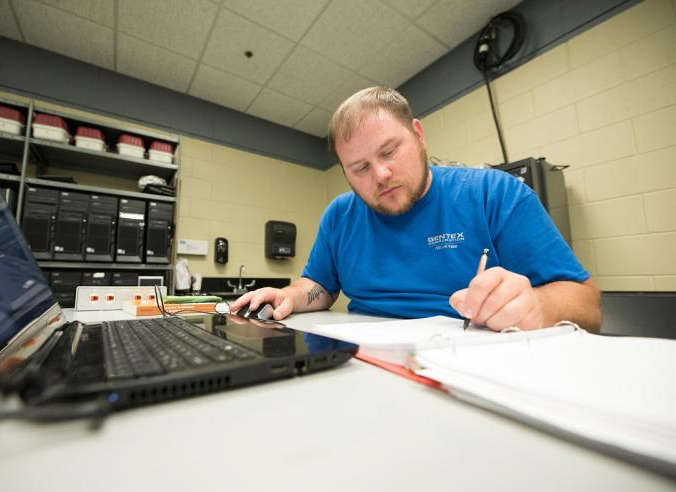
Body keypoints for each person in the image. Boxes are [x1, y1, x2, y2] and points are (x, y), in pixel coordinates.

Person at [231, 87, 601, 332]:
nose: (380, 174)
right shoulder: (340, 215)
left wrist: (537, 304)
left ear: (419, 136)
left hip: (472, 364)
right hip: (366, 363)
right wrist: (291, 296)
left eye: (389, 151)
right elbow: (321, 286)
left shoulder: (495, 195)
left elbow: (588, 304)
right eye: (359, 168)